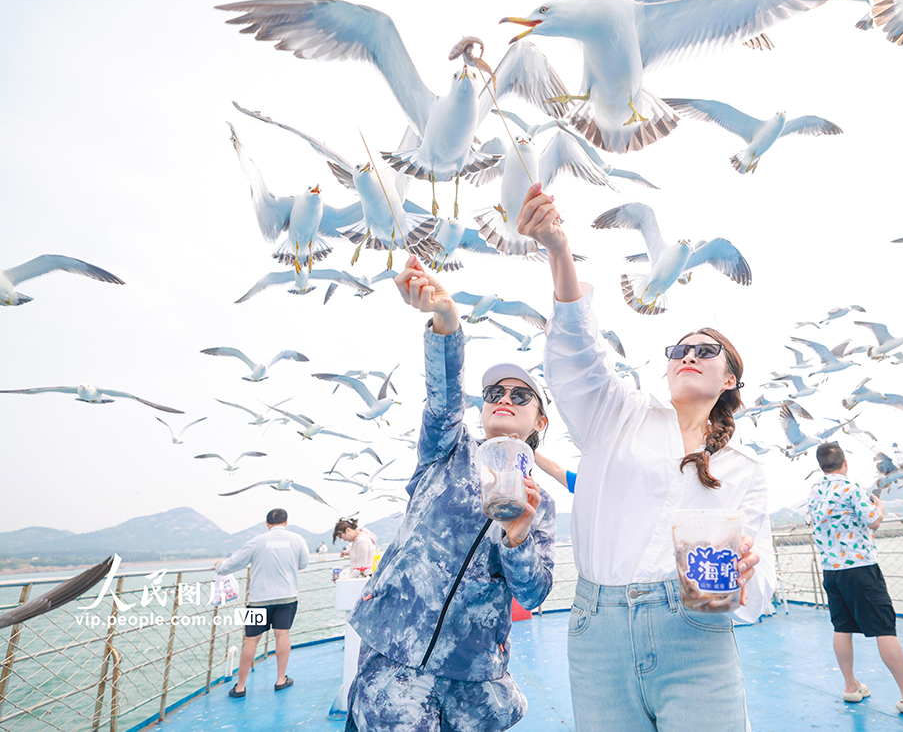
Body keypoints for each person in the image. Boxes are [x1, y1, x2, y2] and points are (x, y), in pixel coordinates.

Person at [517, 184, 773, 732]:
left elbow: (757, 591)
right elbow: (578, 357)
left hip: (697, 637)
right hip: (599, 634)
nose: (688, 356)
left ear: (730, 379)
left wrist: (745, 575)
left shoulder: (743, 469)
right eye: (678, 350)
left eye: (705, 351)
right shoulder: (618, 414)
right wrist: (559, 252)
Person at [341, 254, 557, 732]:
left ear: (539, 421)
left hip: (472, 677)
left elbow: (534, 593)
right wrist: (446, 319)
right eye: (494, 393)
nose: (504, 399)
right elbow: (443, 399)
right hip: (395, 653)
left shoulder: (541, 505)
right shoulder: (449, 450)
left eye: (520, 395)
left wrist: (518, 539)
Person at [806, 443, 903, 714]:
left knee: (842, 627)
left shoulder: (814, 491)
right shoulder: (851, 487)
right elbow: (873, 522)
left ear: (821, 466)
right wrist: (879, 506)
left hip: (831, 570)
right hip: (860, 568)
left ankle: (851, 686)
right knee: (884, 628)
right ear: (845, 463)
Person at [215, 507, 309, 698]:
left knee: (251, 640)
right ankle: (281, 679)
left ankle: (240, 686)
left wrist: (220, 567)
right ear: (286, 522)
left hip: (258, 599)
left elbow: (235, 562)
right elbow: (303, 563)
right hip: (287, 596)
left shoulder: (257, 541)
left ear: (267, 524)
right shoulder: (297, 539)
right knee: (282, 635)